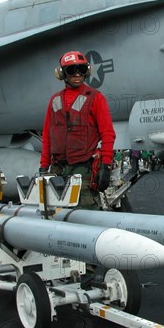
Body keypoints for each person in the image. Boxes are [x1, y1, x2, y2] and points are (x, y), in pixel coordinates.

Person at [40, 50, 116, 210]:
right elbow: (47, 135)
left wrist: (106, 166)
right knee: (57, 215)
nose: (77, 74)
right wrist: (43, 166)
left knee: (86, 216)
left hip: (84, 171)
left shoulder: (95, 98)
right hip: (57, 170)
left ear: (87, 71)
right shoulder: (54, 100)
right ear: (62, 74)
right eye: (71, 70)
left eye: (81, 69)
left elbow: (108, 133)